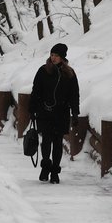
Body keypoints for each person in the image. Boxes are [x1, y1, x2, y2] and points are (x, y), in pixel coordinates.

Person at [29, 43, 79, 184]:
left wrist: (75, 113)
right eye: (52, 55)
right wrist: (32, 110)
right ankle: (45, 167)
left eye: (56, 55)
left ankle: (55, 171)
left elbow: (74, 95)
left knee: (57, 142)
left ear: (62, 57)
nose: (53, 58)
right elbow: (36, 91)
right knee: (46, 140)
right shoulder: (43, 70)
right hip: (44, 111)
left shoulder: (69, 73)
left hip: (61, 113)